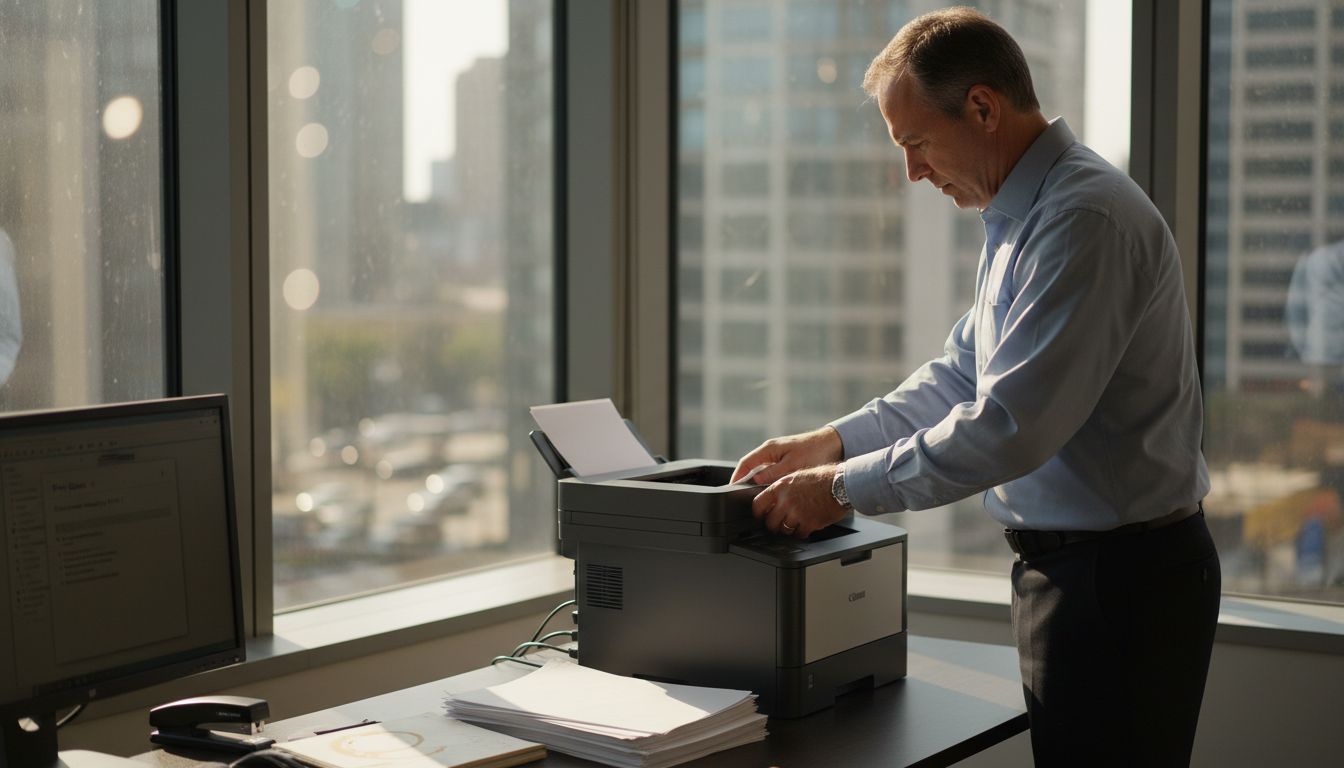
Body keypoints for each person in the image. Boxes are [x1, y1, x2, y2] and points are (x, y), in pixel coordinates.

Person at [730, 8, 1220, 767]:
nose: (913, 172)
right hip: (1077, 575)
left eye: (916, 142)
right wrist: (829, 443)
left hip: (1120, 585)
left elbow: (1009, 427)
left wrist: (839, 488)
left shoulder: (1082, 219)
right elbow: (962, 375)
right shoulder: (1024, 218)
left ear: (983, 108)